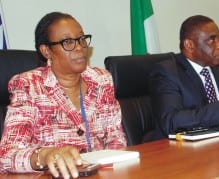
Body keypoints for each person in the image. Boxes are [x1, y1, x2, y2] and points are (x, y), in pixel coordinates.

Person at [0, 12, 126, 179]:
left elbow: (116, 141)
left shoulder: (101, 80)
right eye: (67, 42)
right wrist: (45, 155)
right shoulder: (29, 85)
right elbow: (6, 156)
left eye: (81, 39)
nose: (80, 47)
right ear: (46, 51)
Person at [149, 15, 219, 139]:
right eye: (212, 40)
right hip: (185, 152)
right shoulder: (167, 72)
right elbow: (171, 122)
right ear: (189, 45)